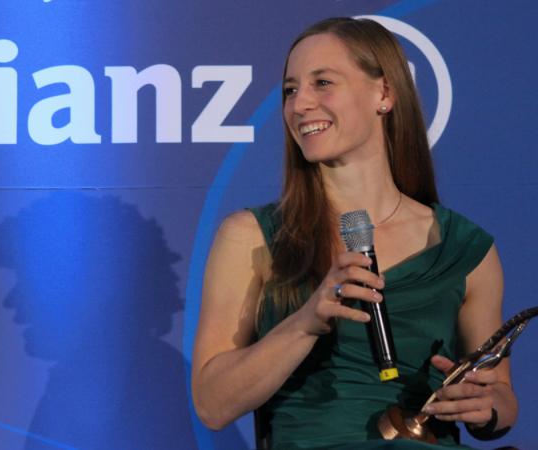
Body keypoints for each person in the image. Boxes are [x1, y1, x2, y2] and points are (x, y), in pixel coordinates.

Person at [191, 17, 518, 449]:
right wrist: (306, 322)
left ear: (383, 93)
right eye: (290, 90)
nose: (299, 104)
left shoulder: (465, 249)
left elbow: (501, 399)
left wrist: (486, 407)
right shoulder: (251, 237)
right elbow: (212, 405)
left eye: (322, 83)